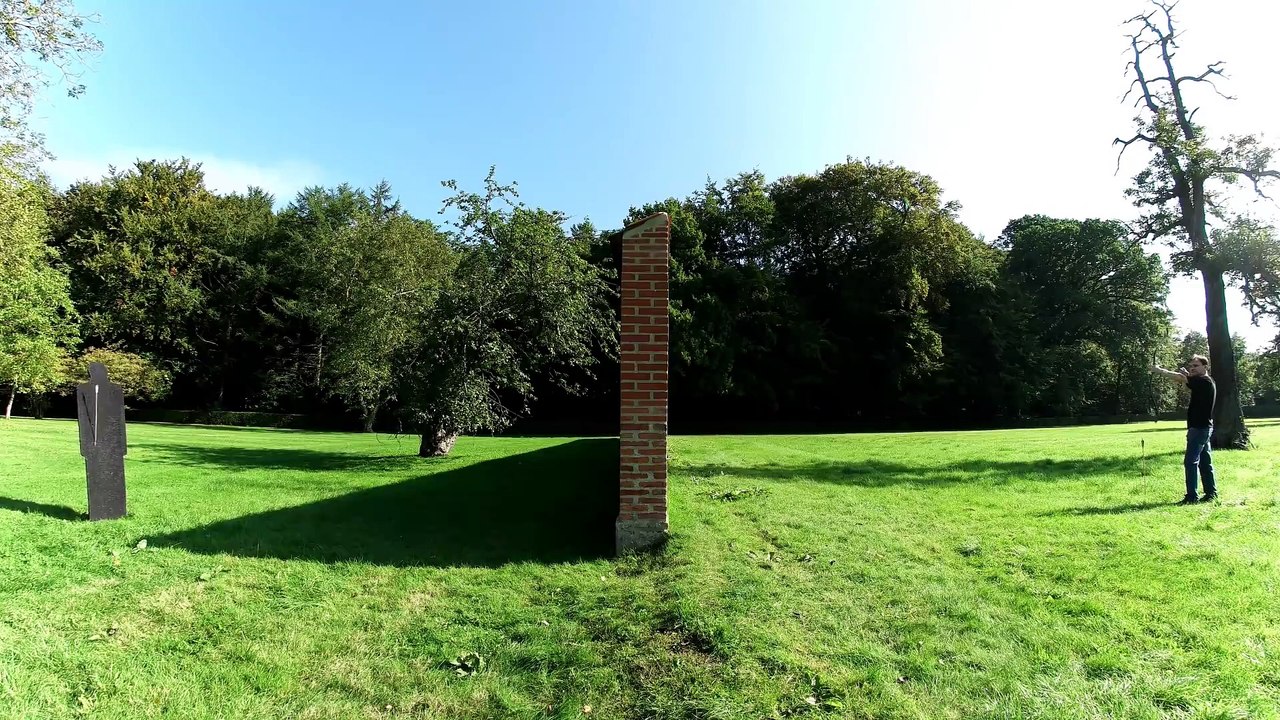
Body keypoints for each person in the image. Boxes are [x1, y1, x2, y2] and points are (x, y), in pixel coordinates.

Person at [1150, 355, 1216, 504]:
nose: (1193, 368)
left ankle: (1192, 497)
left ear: (1205, 367)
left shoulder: (1203, 381)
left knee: (1190, 462)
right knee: (1205, 462)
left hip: (1199, 429)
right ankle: (1211, 493)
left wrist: (1159, 370)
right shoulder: (1205, 382)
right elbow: (1187, 384)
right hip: (1204, 428)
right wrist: (1188, 375)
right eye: (1191, 366)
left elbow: (1180, 378)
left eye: (1196, 366)